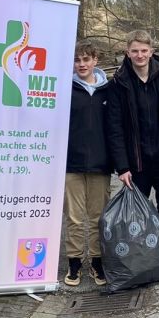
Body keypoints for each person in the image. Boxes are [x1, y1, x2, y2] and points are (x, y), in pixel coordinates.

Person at [108, 31, 159, 267]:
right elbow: (115, 128)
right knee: (137, 216)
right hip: (136, 164)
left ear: (151, 51)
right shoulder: (119, 83)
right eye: (135, 51)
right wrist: (122, 166)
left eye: (144, 50)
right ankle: (143, 261)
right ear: (127, 53)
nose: (140, 55)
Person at [63, 41, 114, 287]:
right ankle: (74, 261)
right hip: (71, 164)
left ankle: (96, 261)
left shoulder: (109, 90)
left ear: (95, 61)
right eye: (77, 60)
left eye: (86, 59)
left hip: (100, 165)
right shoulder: (65, 89)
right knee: (74, 217)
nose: (82, 64)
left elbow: (115, 128)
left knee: (97, 217)